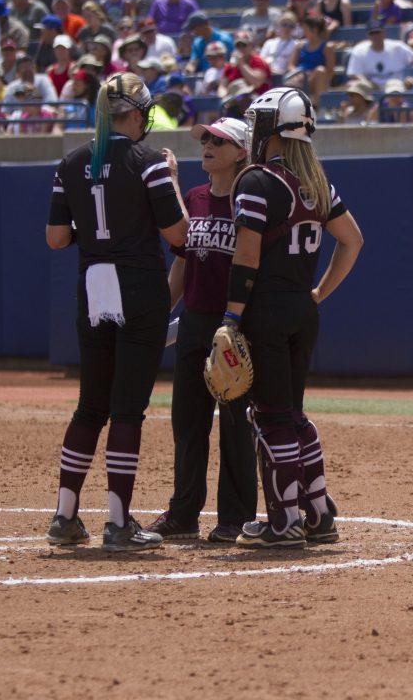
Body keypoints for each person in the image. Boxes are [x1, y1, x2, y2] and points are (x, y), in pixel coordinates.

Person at [44, 72, 188, 552]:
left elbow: (56, 238)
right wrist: (172, 180)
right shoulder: (148, 163)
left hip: (93, 285)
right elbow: (178, 236)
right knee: (128, 409)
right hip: (138, 284)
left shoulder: (70, 162)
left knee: (91, 405)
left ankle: (65, 516)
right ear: (138, 114)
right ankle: (118, 521)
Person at [224, 87, 364, 547]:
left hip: (265, 308)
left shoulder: (256, 180)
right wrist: (319, 293)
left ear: (270, 129)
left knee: (270, 416)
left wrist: (230, 316)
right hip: (302, 310)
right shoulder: (317, 184)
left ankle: (284, 522)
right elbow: (353, 240)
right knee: (293, 414)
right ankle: (319, 513)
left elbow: (246, 256)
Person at [144, 118, 260, 544]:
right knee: (187, 422)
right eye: (206, 139)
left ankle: (234, 517)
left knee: (234, 423)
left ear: (241, 152)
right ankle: (183, 512)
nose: (208, 145)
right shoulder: (194, 197)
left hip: (232, 326)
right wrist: (159, 313)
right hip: (194, 322)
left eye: (219, 141)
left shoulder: (249, 200)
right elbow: (183, 262)